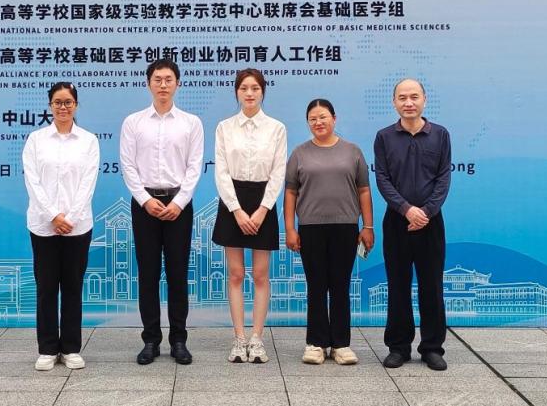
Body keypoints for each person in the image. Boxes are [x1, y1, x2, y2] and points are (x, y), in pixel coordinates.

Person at [120, 58, 204, 365]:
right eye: (157, 79)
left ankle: (179, 340)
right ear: (148, 84)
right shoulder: (133, 122)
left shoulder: (191, 123)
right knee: (148, 274)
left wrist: (179, 202)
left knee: (178, 274)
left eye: (169, 79)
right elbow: (128, 165)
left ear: (178, 84)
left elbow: (195, 166)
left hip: (178, 205)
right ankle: (151, 340)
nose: (163, 85)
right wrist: (145, 200)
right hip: (145, 205)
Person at [284, 99, 374, 365]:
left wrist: (367, 226)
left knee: (340, 286)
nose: (318, 122)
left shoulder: (352, 151)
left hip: (345, 227)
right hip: (310, 228)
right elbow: (290, 193)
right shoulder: (299, 153)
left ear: (334, 118)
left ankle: (341, 344)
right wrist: (290, 228)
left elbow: (364, 190)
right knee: (316, 286)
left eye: (323, 117)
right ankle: (316, 343)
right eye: (312, 119)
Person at [374, 78, 452, 372]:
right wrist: (407, 210)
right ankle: (398, 347)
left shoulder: (440, 135)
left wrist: (426, 212)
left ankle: (432, 348)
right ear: (394, 102)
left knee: (432, 286)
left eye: (414, 97)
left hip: (431, 223)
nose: (409, 102)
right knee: (398, 286)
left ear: (424, 100)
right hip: (397, 221)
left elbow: (443, 178)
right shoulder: (384, 137)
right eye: (402, 97)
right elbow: (382, 179)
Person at [22, 82, 100, 371]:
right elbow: (32, 181)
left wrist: (71, 217)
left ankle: (70, 348)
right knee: (46, 287)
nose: (63, 107)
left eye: (68, 102)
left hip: (77, 227)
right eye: (58, 102)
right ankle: (47, 348)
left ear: (76, 105)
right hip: (43, 225)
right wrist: (53, 215)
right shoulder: (36, 140)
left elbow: (88, 182)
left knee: (72, 287)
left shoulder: (88, 140)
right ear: (50, 105)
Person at [211, 68, 287, 363]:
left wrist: (263, 209)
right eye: (244, 88)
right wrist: (237, 210)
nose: (250, 93)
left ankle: (257, 339)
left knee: (260, 274)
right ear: (237, 92)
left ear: (263, 91)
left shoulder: (276, 128)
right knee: (235, 274)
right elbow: (221, 172)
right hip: (233, 202)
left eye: (255, 88)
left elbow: (278, 172)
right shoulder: (224, 127)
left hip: (263, 201)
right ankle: (239, 338)